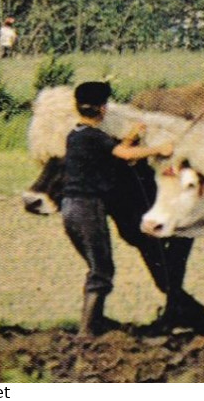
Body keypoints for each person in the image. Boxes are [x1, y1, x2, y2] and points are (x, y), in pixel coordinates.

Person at [61, 81, 172, 336]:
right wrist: (159, 149)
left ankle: (95, 321)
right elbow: (123, 154)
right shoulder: (96, 137)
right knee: (102, 270)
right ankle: (87, 331)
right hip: (89, 208)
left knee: (97, 266)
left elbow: (112, 149)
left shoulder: (75, 135)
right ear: (103, 109)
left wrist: (132, 137)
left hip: (69, 209)